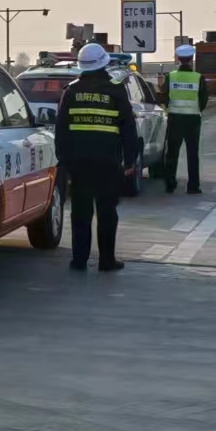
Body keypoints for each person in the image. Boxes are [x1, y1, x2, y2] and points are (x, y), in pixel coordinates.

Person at [53, 42, 140, 272]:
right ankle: (106, 261)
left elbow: (61, 129)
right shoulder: (116, 89)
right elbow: (128, 128)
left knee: (81, 212)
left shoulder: (71, 90)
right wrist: (130, 160)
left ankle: (79, 260)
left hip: (79, 163)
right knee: (107, 212)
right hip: (108, 162)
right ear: (104, 62)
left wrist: (63, 161)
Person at [159, 44, 206, 194]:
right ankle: (193, 186)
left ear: (178, 59)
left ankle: (170, 184)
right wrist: (197, 109)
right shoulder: (198, 77)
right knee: (193, 154)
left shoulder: (171, 76)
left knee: (172, 152)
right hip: (192, 120)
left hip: (175, 118)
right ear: (191, 59)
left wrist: (170, 107)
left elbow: (164, 96)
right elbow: (204, 98)